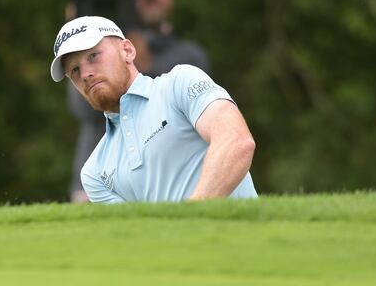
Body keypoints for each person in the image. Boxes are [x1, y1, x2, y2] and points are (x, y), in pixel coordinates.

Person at [52, 15, 257, 203]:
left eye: (93, 56)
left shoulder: (180, 84)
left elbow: (236, 142)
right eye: (75, 70)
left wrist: (192, 215)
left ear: (127, 51)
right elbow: (137, 230)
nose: (85, 74)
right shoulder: (94, 173)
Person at [67, 0, 210, 202]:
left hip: (171, 182)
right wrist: (80, 43)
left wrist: (134, 59)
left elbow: (164, 101)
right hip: (101, 179)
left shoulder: (187, 56)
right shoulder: (95, 56)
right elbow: (83, 108)